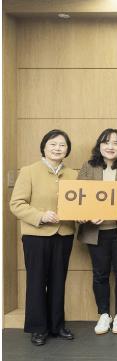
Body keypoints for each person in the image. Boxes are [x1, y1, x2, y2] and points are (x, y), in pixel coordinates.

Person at [10, 129, 77, 346]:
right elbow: (16, 204)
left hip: (64, 234)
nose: (58, 148)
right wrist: (40, 216)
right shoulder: (29, 171)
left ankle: (57, 325)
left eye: (62, 145)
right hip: (36, 235)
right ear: (44, 147)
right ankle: (38, 328)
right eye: (53, 144)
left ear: (67, 150)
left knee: (58, 281)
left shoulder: (73, 175)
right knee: (36, 281)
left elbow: (79, 204)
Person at [76, 129, 117, 335]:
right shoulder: (88, 167)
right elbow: (78, 198)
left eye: (116, 143)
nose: (111, 147)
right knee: (100, 274)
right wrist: (86, 216)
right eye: (106, 142)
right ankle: (104, 314)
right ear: (99, 146)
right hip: (96, 231)